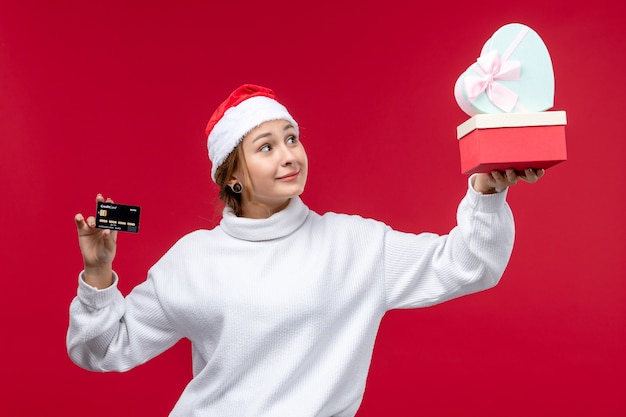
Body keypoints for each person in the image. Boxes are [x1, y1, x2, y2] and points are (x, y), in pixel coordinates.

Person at [67, 84, 544, 416]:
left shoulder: (353, 246)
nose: (289, 154)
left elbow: (466, 265)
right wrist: (97, 276)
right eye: (266, 147)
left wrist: (486, 193)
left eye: (291, 139)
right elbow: (104, 350)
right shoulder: (193, 260)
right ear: (231, 174)